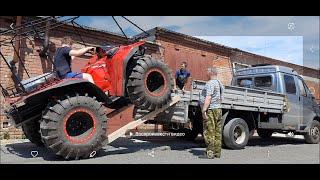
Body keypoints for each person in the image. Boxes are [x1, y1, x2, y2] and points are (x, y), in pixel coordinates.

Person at [199, 67, 224, 159]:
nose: (206, 73)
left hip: (211, 110)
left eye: (207, 71)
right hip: (218, 109)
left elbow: (208, 97)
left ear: (210, 73)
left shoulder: (210, 83)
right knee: (218, 132)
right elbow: (221, 98)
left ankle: (209, 154)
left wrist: (204, 110)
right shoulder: (220, 83)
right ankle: (217, 153)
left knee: (209, 131)